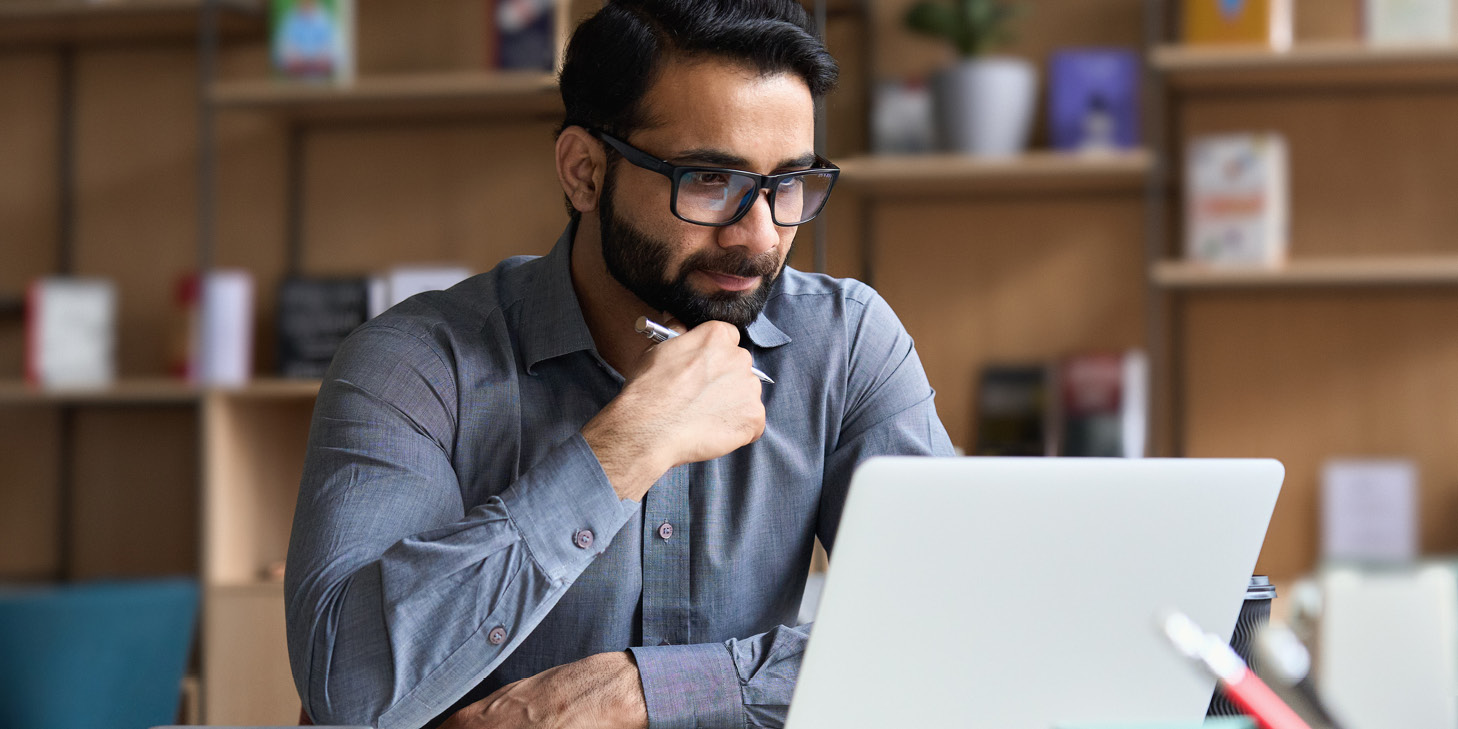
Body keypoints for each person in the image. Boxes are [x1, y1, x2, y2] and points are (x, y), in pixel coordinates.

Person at [284, 2, 955, 728]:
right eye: (710, 180)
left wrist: (640, 691)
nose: (760, 237)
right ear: (584, 172)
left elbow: (959, 625)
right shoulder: (414, 364)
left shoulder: (846, 343)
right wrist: (623, 447)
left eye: (787, 183)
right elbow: (347, 693)